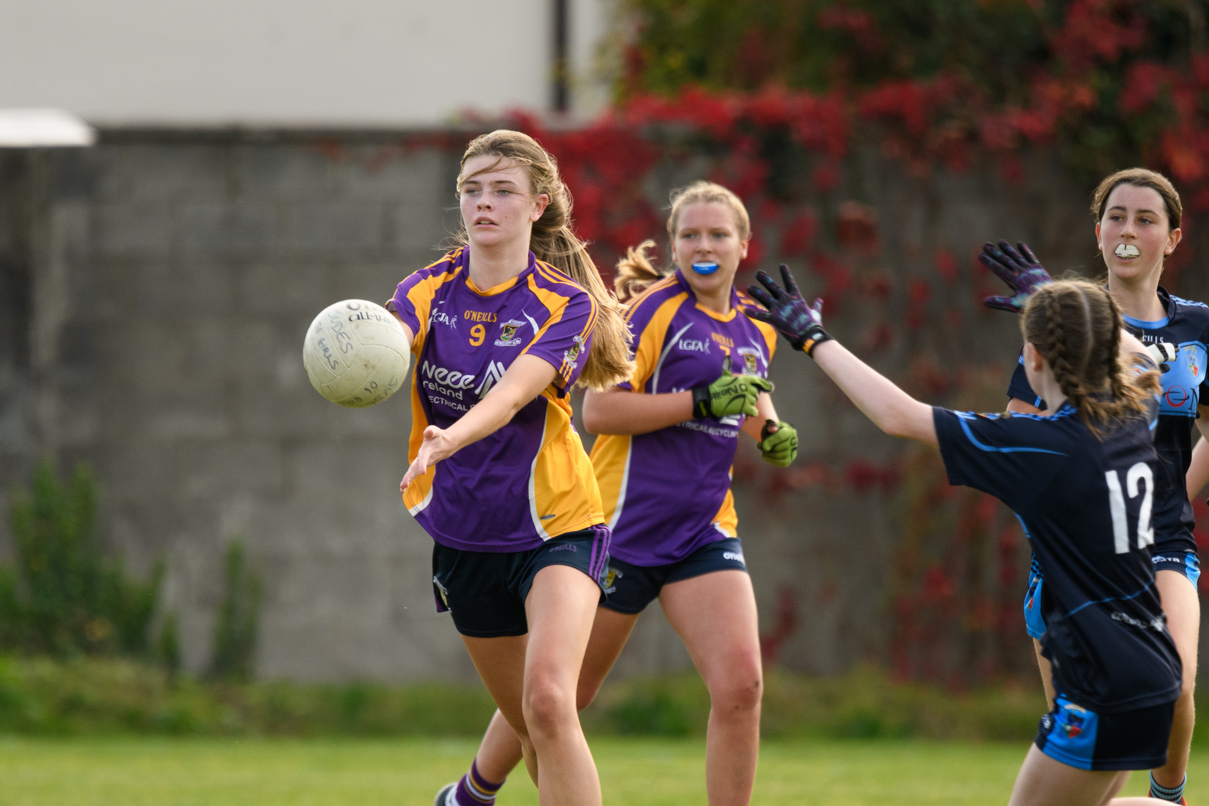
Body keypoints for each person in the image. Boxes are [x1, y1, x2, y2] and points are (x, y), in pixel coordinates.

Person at [749, 266, 1182, 806]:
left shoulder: (1040, 447)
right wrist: (1058, 303)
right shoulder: (1135, 408)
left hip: (1104, 686)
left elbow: (897, 415)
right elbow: (1127, 344)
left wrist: (813, 338)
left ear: (1034, 358)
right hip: (1153, 672)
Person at [435, 181, 797, 806]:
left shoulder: (755, 326)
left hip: (705, 531)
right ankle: (473, 793)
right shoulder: (654, 311)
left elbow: (754, 404)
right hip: (618, 531)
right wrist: (700, 402)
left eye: (716, 234)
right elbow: (600, 411)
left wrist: (773, 434)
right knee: (559, 697)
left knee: (742, 687)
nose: (702, 246)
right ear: (674, 245)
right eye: (689, 235)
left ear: (744, 244)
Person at [385, 129, 637, 806]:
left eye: (502, 190)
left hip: (559, 523)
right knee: (532, 729)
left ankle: (470, 796)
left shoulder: (565, 304)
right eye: (472, 189)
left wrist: (447, 438)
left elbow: (513, 392)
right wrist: (349, 343)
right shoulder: (428, 289)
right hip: (466, 535)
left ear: (538, 205)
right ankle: (469, 797)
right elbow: (384, 338)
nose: (483, 203)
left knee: (552, 702)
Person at [981, 167, 1204, 805]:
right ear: (1098, 231)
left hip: (1162, 541)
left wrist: (1172, 494)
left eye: (1145, 219)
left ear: (1173, 237)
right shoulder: (1059, 326)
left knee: (1177, 680)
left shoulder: (1199, 329)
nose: (1128, 230)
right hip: (1076, 553)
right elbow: (1018, 437)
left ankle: (1169, 799)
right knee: (1093, 740)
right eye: (1116, 217)